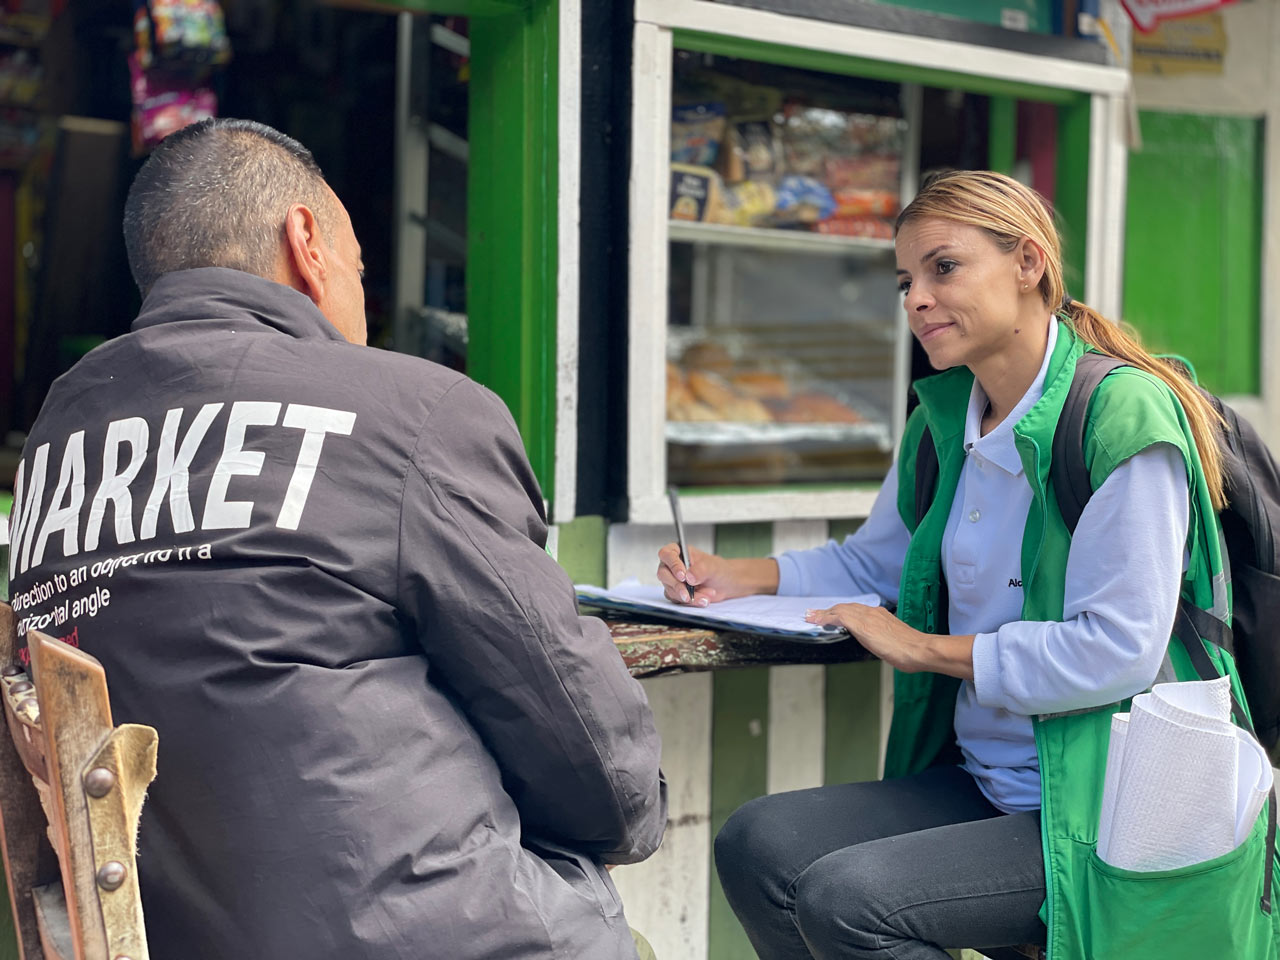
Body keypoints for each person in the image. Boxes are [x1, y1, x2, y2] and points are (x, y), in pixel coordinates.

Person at [7, 118, 666, 960]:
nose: (360, 300)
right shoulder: (413, 412)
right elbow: (593, 764)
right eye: (359, 268)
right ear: (307, 241)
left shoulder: (61, 430)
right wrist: (634, 814)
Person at [658, 170, 1275, 960]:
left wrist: (923, 648)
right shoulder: (945, 420)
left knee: (848, 901)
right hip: (989, 780)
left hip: (1106, 809)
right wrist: (736, 575)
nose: (917, 298)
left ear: (1028, 264)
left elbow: (1116, 649)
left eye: (943, 268)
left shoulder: (1118, 414)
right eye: (904, 281)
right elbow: (875, 564)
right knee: (759, 844)